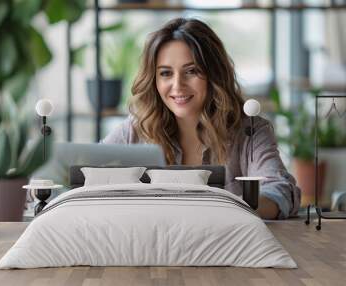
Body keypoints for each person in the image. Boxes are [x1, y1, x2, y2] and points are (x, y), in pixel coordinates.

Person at [101, 17, 300, 220]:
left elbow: (280, 191)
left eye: (191, 71)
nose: (177, 85)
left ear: (213, 74)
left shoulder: (249, 130)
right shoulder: (135, 130)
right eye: (166, 73)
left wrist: (225, 208)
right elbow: (88, 176)